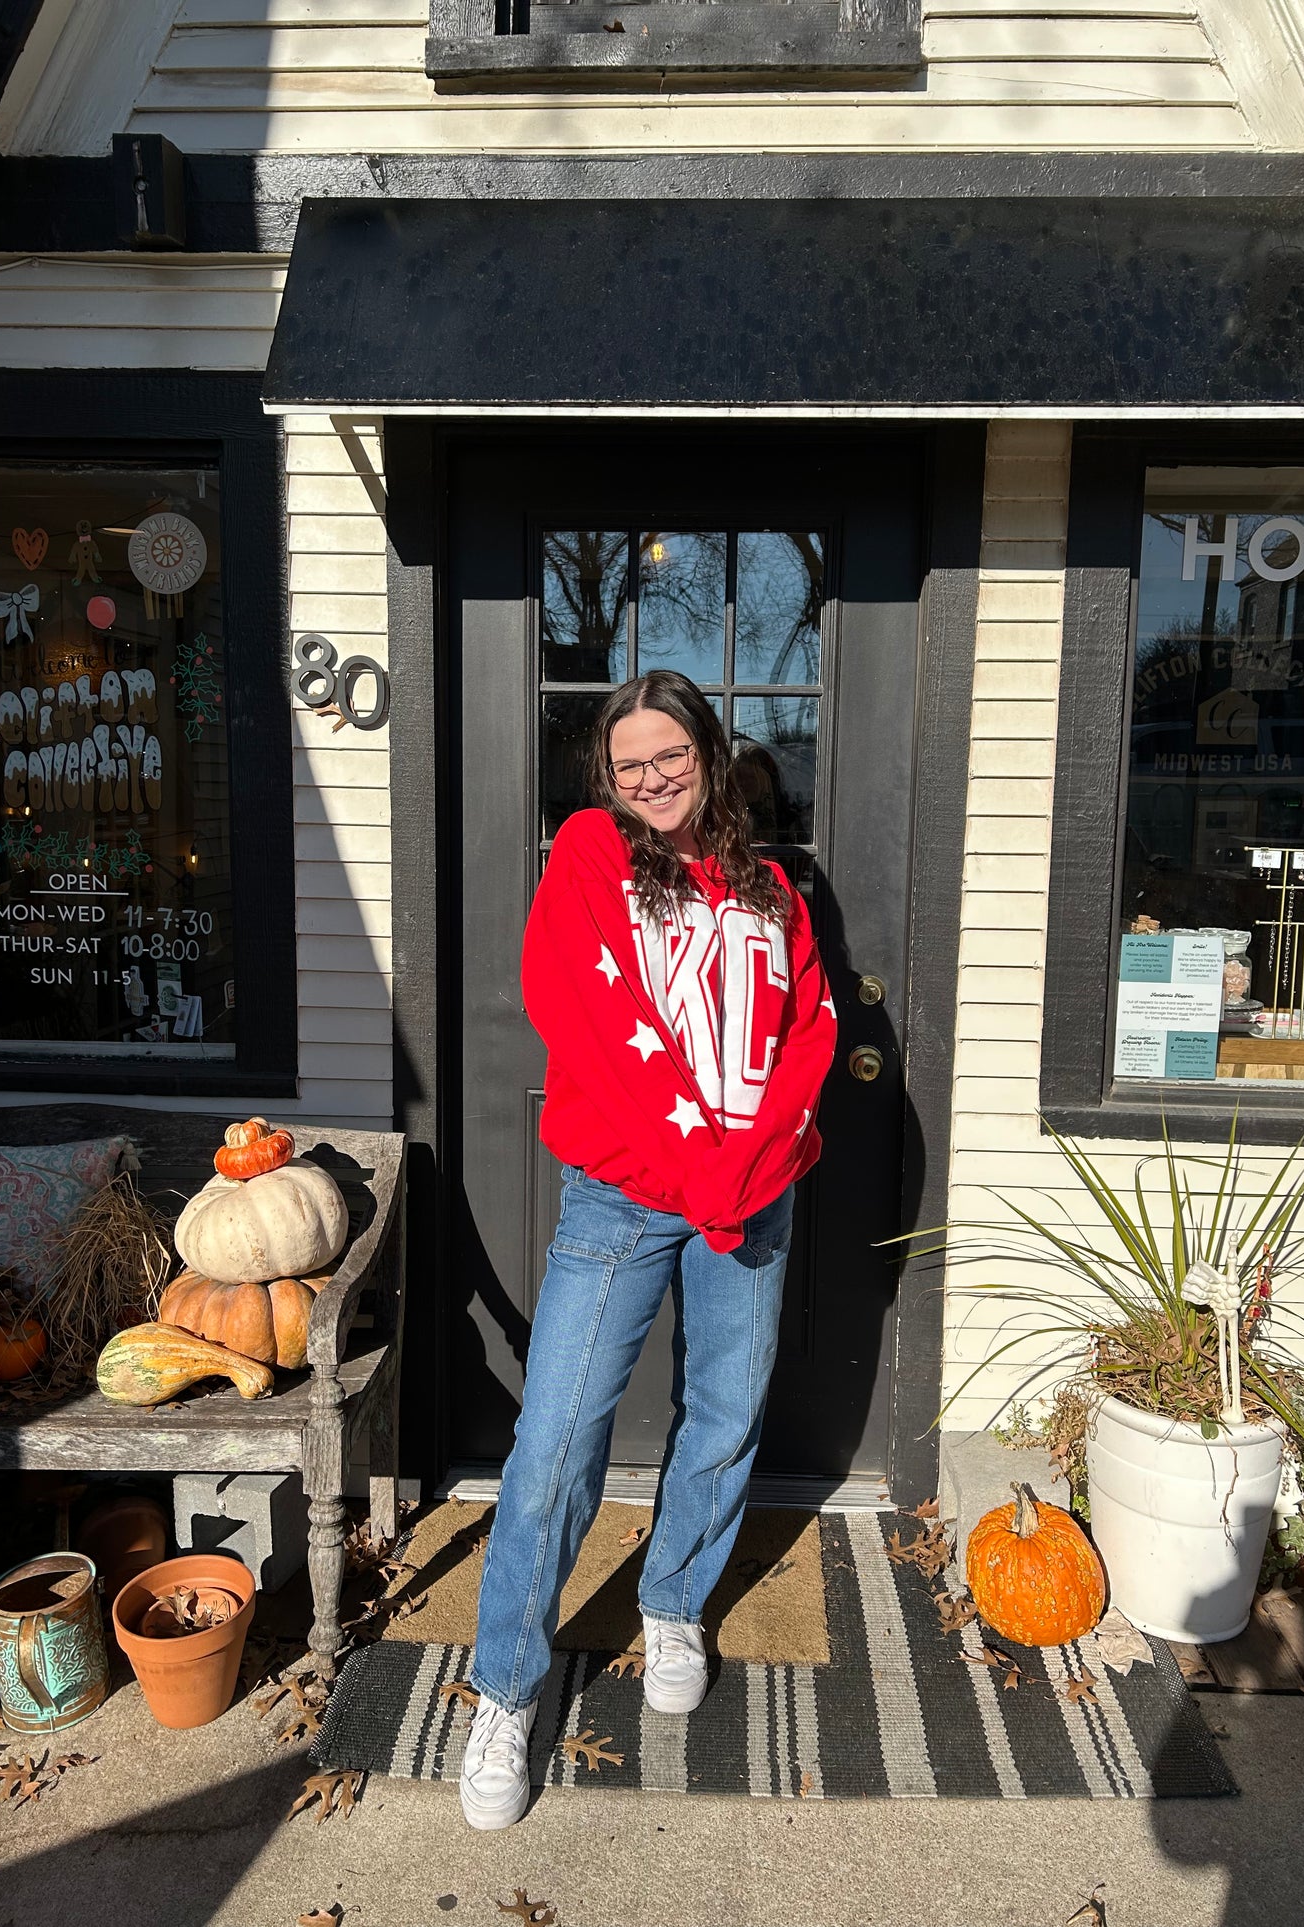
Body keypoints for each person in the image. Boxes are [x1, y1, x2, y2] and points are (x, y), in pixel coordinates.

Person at [459, 668, 838, 1830]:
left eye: (667, 755)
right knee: (558, 1437)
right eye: (628, 765)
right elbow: (576, 1016)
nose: (650, 778)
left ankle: (674, 1602)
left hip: (752, 1198)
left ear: (707, 755)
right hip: (624, 1196)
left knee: (725, 1413)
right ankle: (506, 1690)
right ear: (607, 781)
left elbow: (806, 1035)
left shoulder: (774, 889)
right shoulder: (589, 859)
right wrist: (696, 1169)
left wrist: (750, 1166)